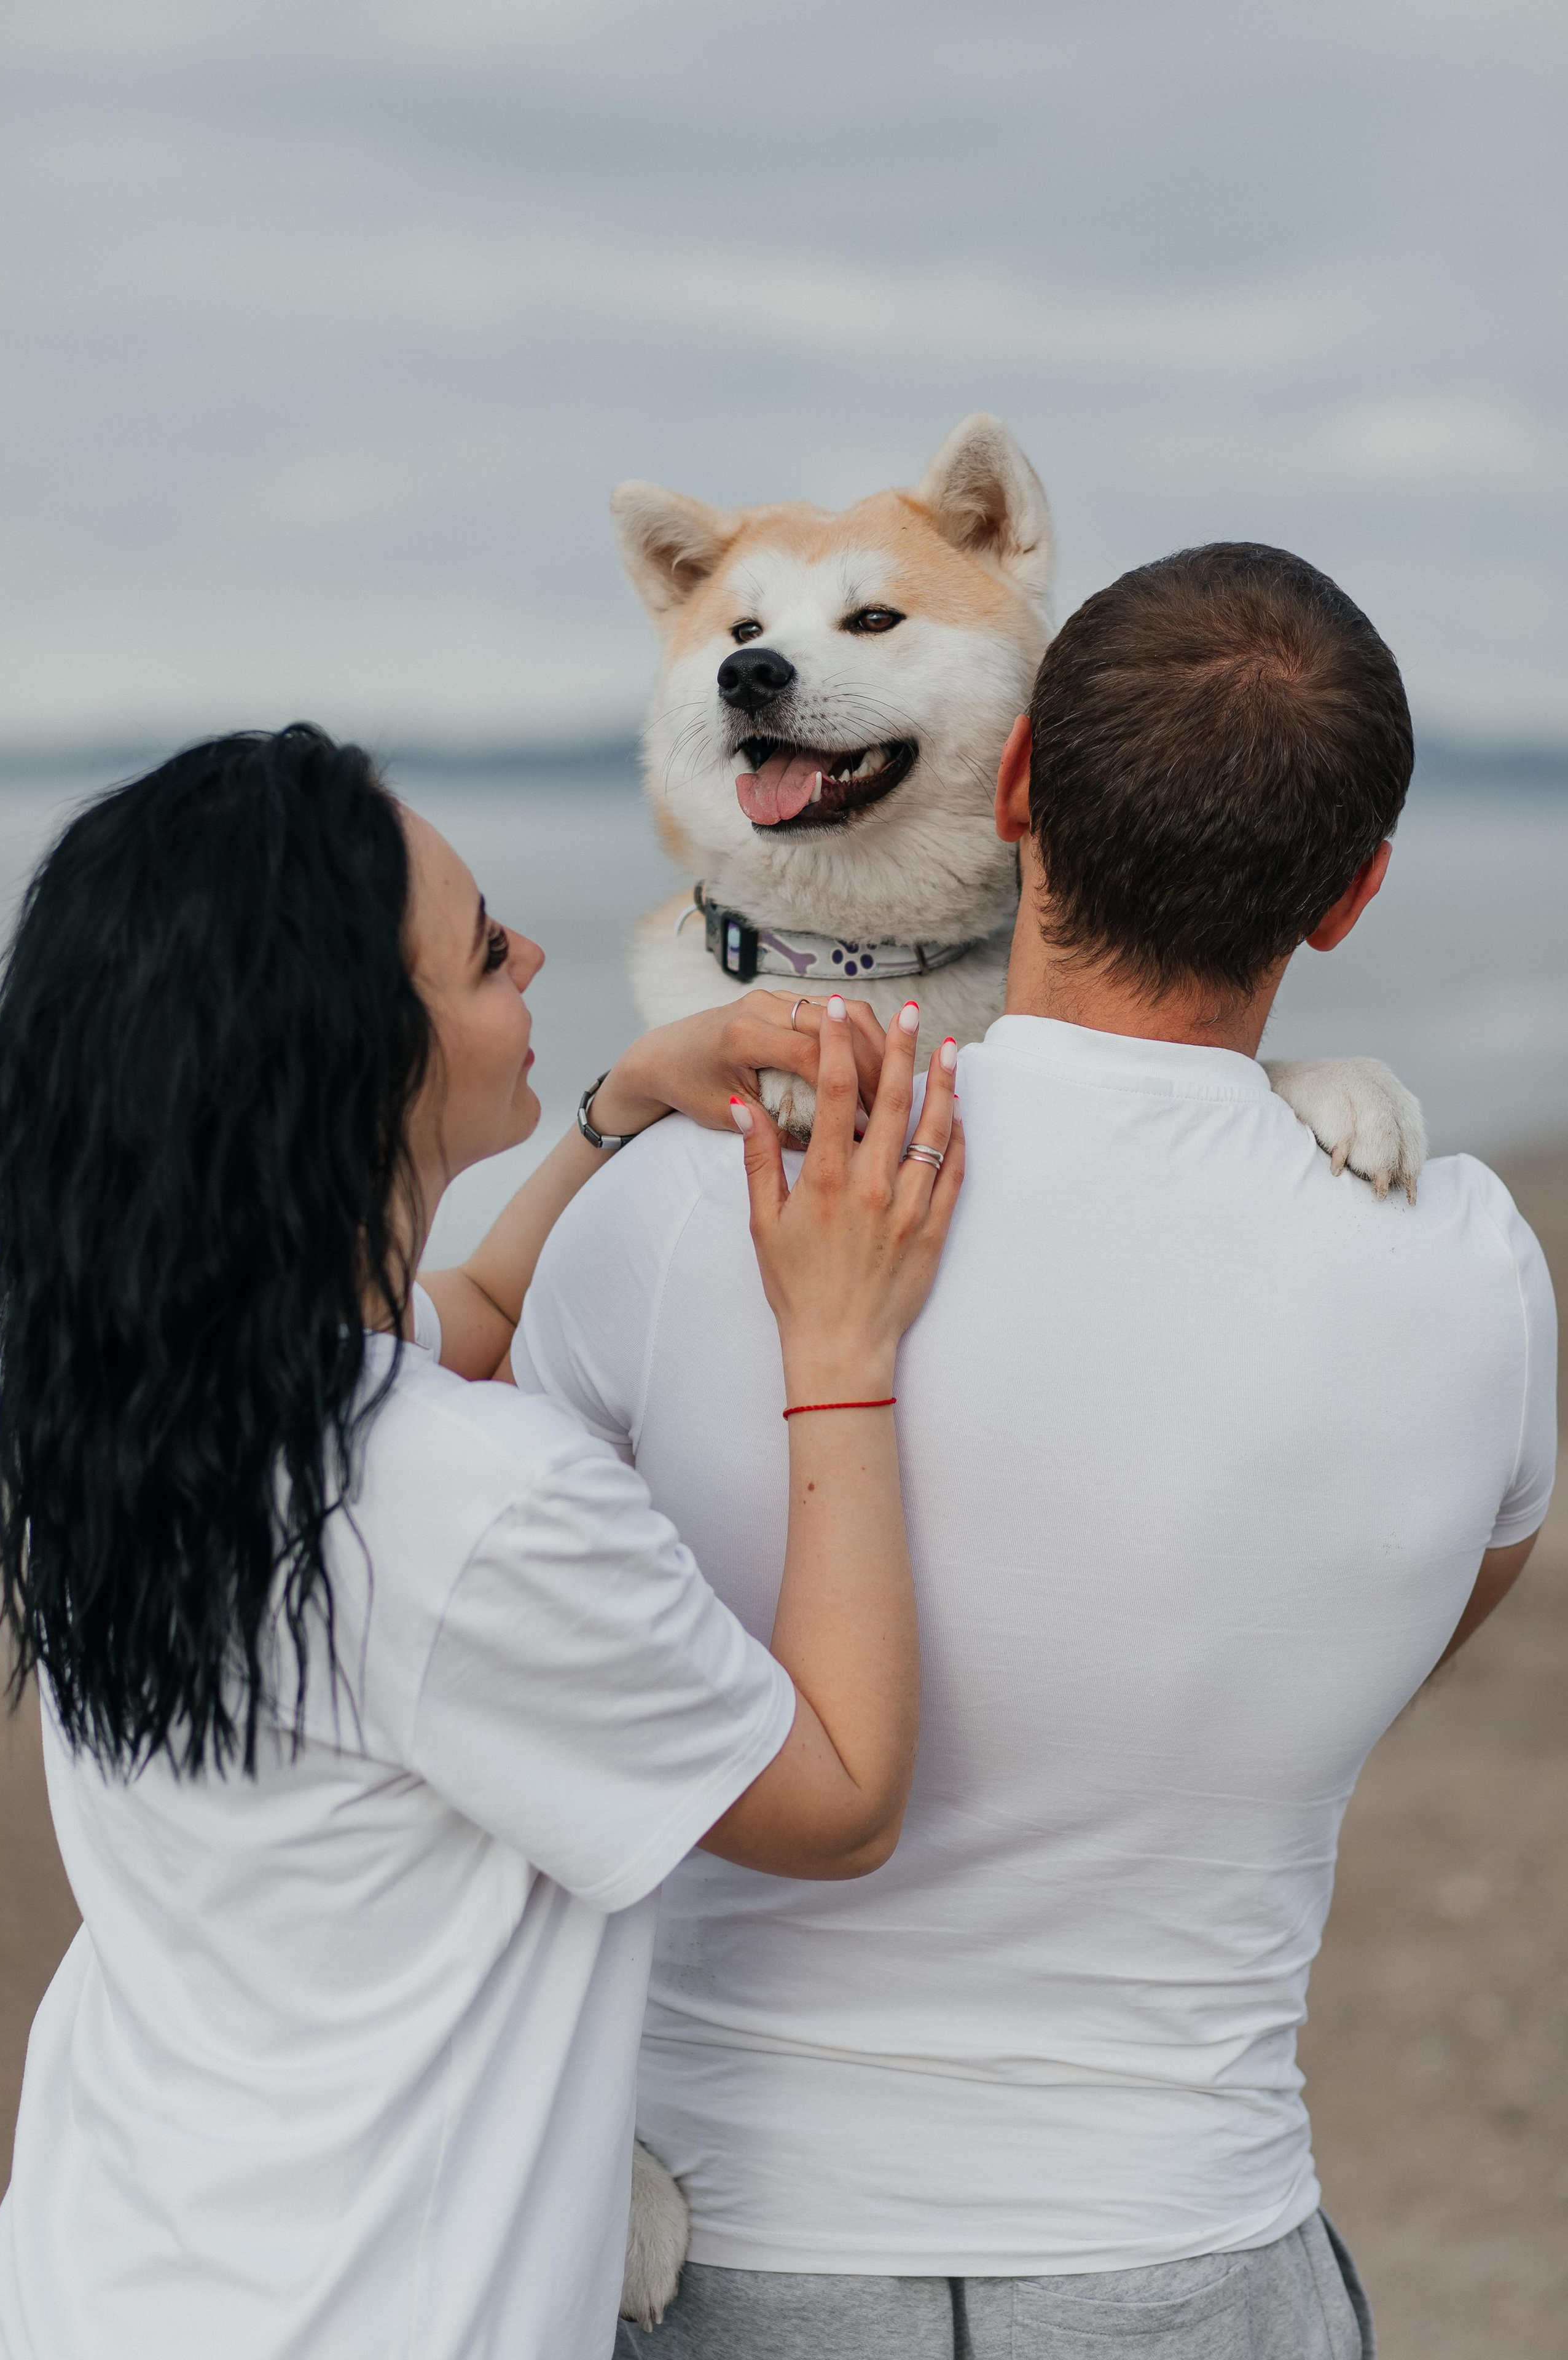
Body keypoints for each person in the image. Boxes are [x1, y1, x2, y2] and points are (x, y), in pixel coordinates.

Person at [514, 545, 1558, 2360]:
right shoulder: (1469, 1268)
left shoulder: (700, 1205)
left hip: (731, 2263)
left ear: (1013, 796)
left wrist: (606, 1115)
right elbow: (1418, 1617)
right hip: (1195, 2260)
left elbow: (487, 1660)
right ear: (1354, 898)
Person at [0, 725, 962, 2360]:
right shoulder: (473, 1499)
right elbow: (840, 1795)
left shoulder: (122, 1378)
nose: (532, 953)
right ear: (352, 1055)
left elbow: (482, 1313)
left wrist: (622, 1100)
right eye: (479, 947)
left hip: (117, 2275)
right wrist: (841, 1351)